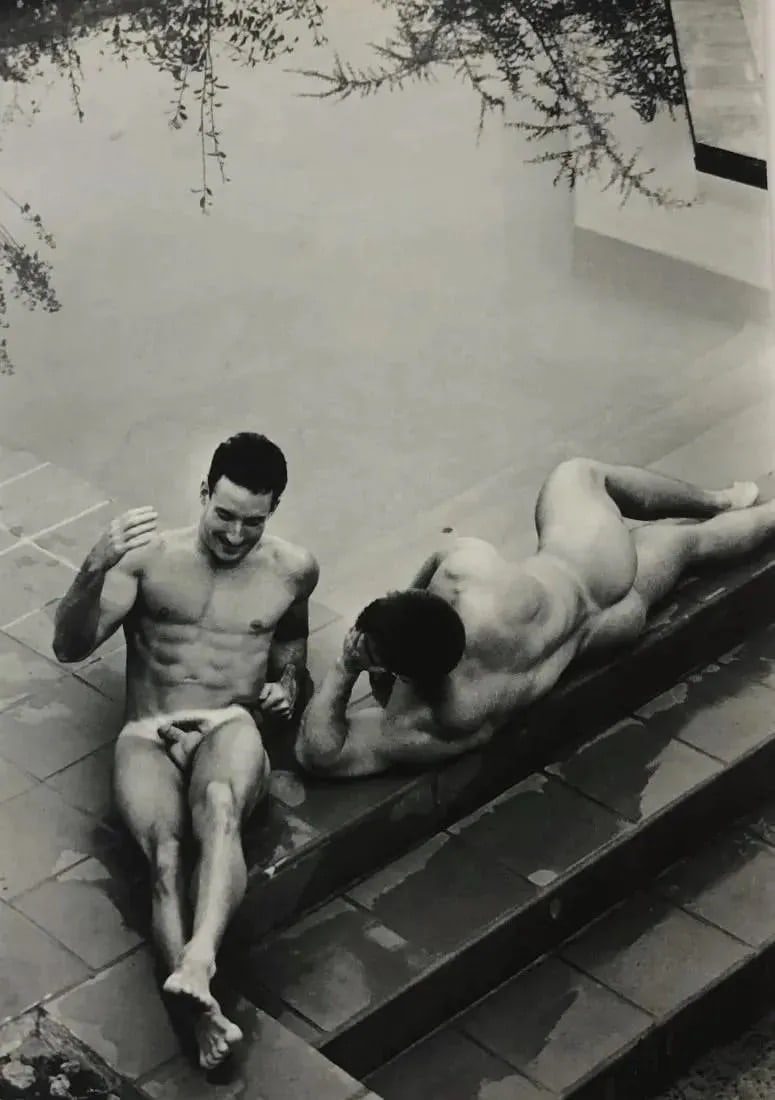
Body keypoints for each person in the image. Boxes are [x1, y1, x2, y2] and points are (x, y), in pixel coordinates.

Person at [52, 432, 319, 1070]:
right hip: (149, 730)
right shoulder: (148, 562)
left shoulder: (293, 570)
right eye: (223, 515)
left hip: (229, 723)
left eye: (252, 522)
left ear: (274, 509)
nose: (234, 535)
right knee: (166, 854)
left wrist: (286, 690)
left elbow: (293, 662)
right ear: (203, 492)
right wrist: (93, 567)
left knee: (221, 807)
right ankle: (197, 1010)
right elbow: (69, 647)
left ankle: (198, 961)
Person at [296, 457, 775, 777]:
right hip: (593, 569)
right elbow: (436, 564)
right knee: (581, 474)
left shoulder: (443, 717)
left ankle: (728, 507)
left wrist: (346, 667)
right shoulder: (465, 573)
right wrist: (407, 606)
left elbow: (319, 753)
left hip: (610, 629)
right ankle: (717, 501)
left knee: (679, 542)